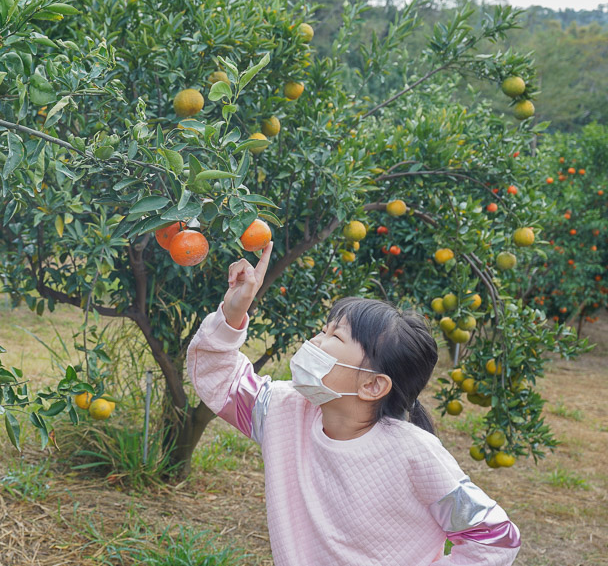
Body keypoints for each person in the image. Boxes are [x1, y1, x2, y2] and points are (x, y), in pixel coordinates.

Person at [187, 241, 521, 565]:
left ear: (373, 385)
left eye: (334, 337)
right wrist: (232, 314)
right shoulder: (285, 412)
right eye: (323, 330)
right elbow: (219, 380)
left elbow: (495, 538)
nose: (314, 341)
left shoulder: (413, 453)